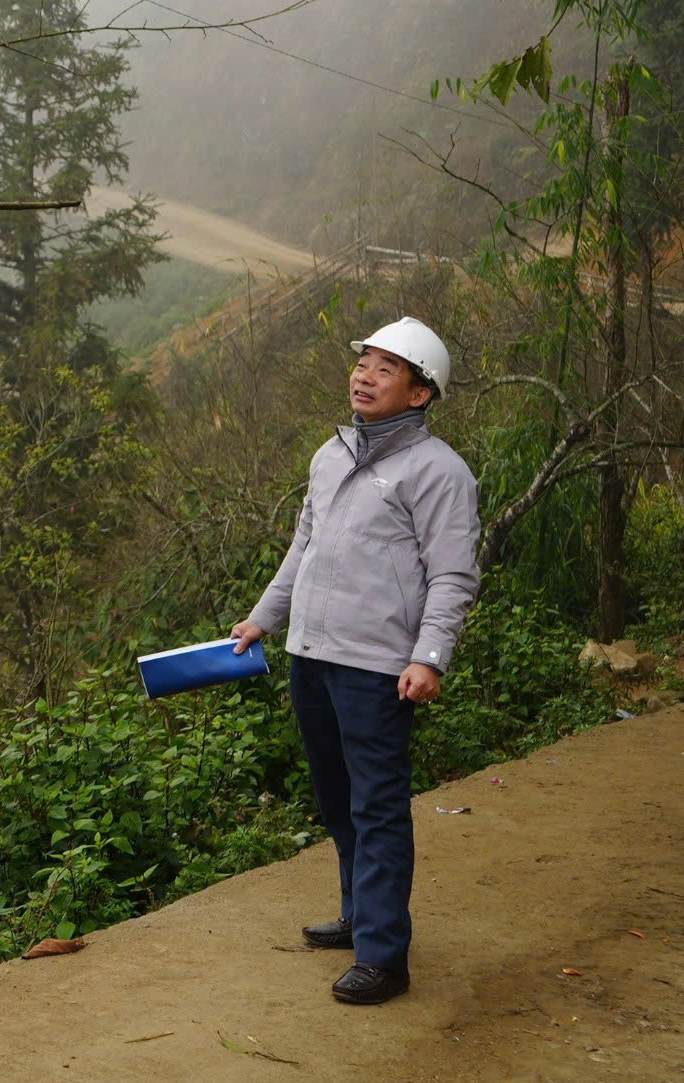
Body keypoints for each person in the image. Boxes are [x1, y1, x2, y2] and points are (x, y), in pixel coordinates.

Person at [229, 316, 481, 1007]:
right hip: (310, 655)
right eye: (362, 361)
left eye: (385, 367)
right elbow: (302, 549)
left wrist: (429, 657)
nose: (364, 375)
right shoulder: (330, 456)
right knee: (338, 800)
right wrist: (264, 616)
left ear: (420, 393)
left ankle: (384, 956)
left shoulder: (440, 473)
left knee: (376, 806)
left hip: (376, 668)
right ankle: (357, 916)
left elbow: (454, 576)